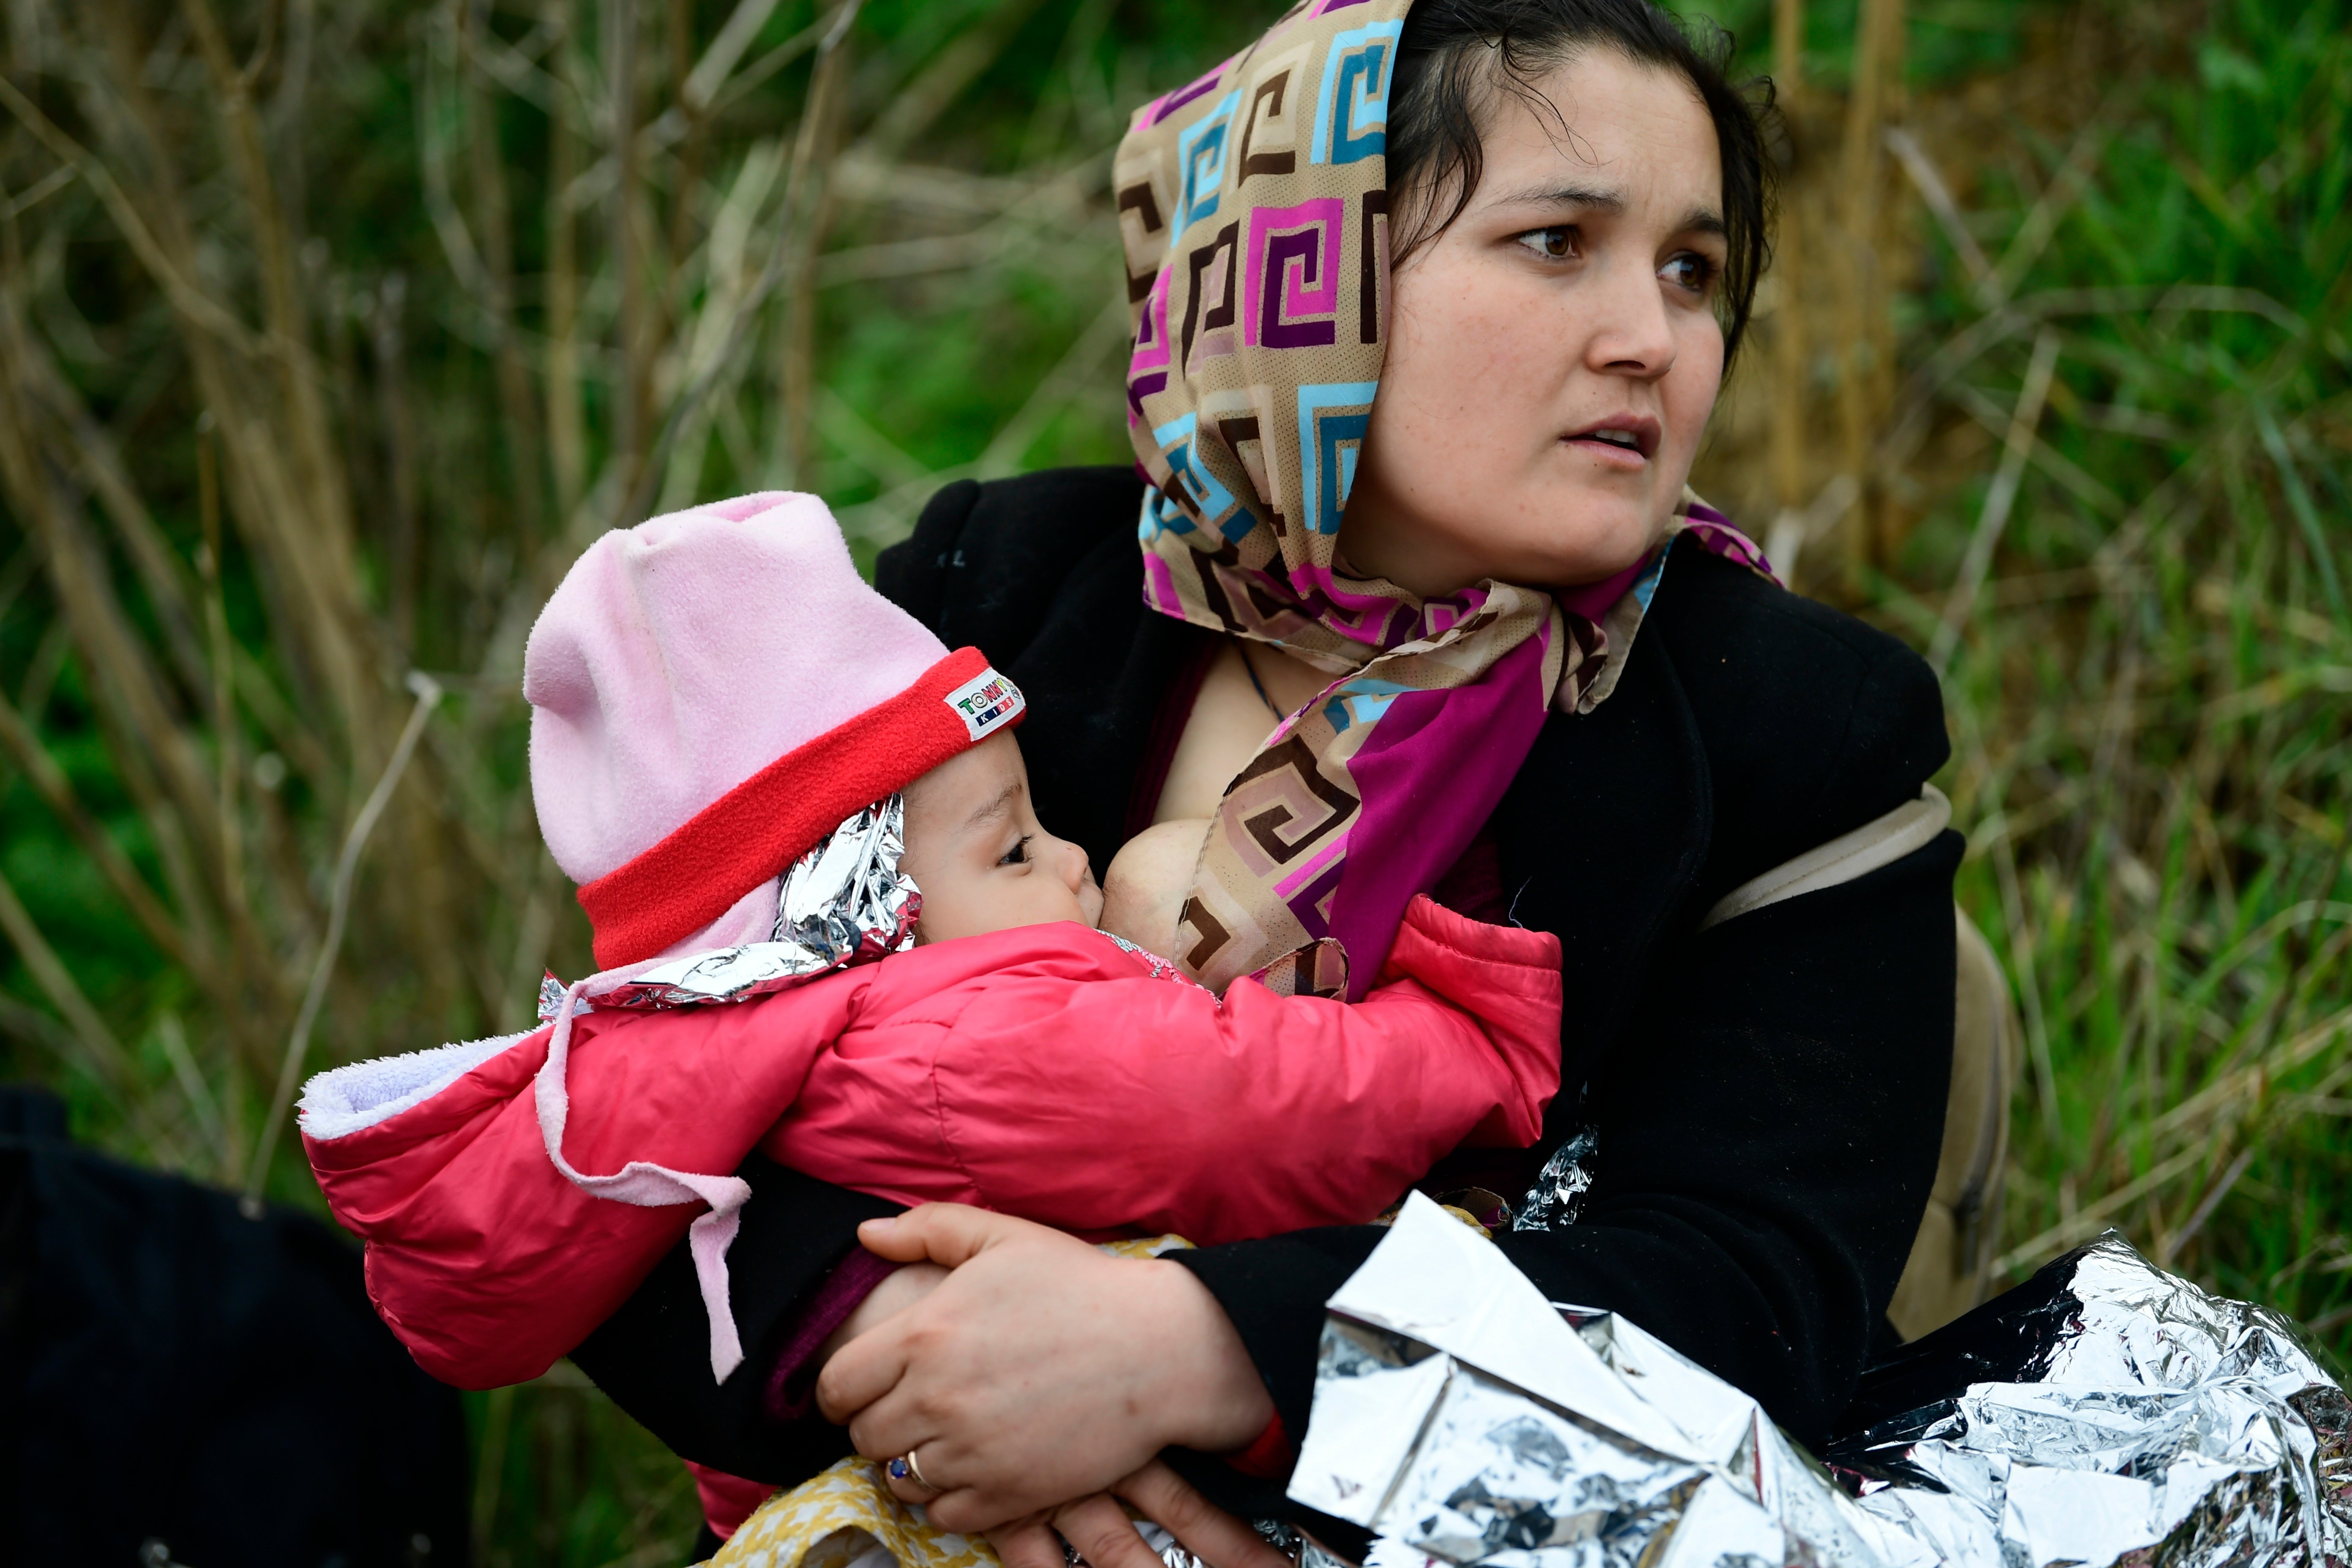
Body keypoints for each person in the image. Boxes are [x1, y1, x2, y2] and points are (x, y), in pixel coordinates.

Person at [573, 3, 1961, 1565]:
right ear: (1305, 263)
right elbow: (621, 1100)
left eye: (1691, 270)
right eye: (1559, 242)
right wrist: (910, 1342)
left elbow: (1753, 1292)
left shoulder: (1794, 727)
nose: (1650, 333)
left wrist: (1190, 1347)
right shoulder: (1001, 595)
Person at [299, 493, 1563, 1538]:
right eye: (1012, 850)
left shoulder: (732, 1059)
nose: (1075, 861)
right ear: (860, 920)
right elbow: (1243, 1109)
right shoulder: (962, 1036)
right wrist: (1466, 1037)